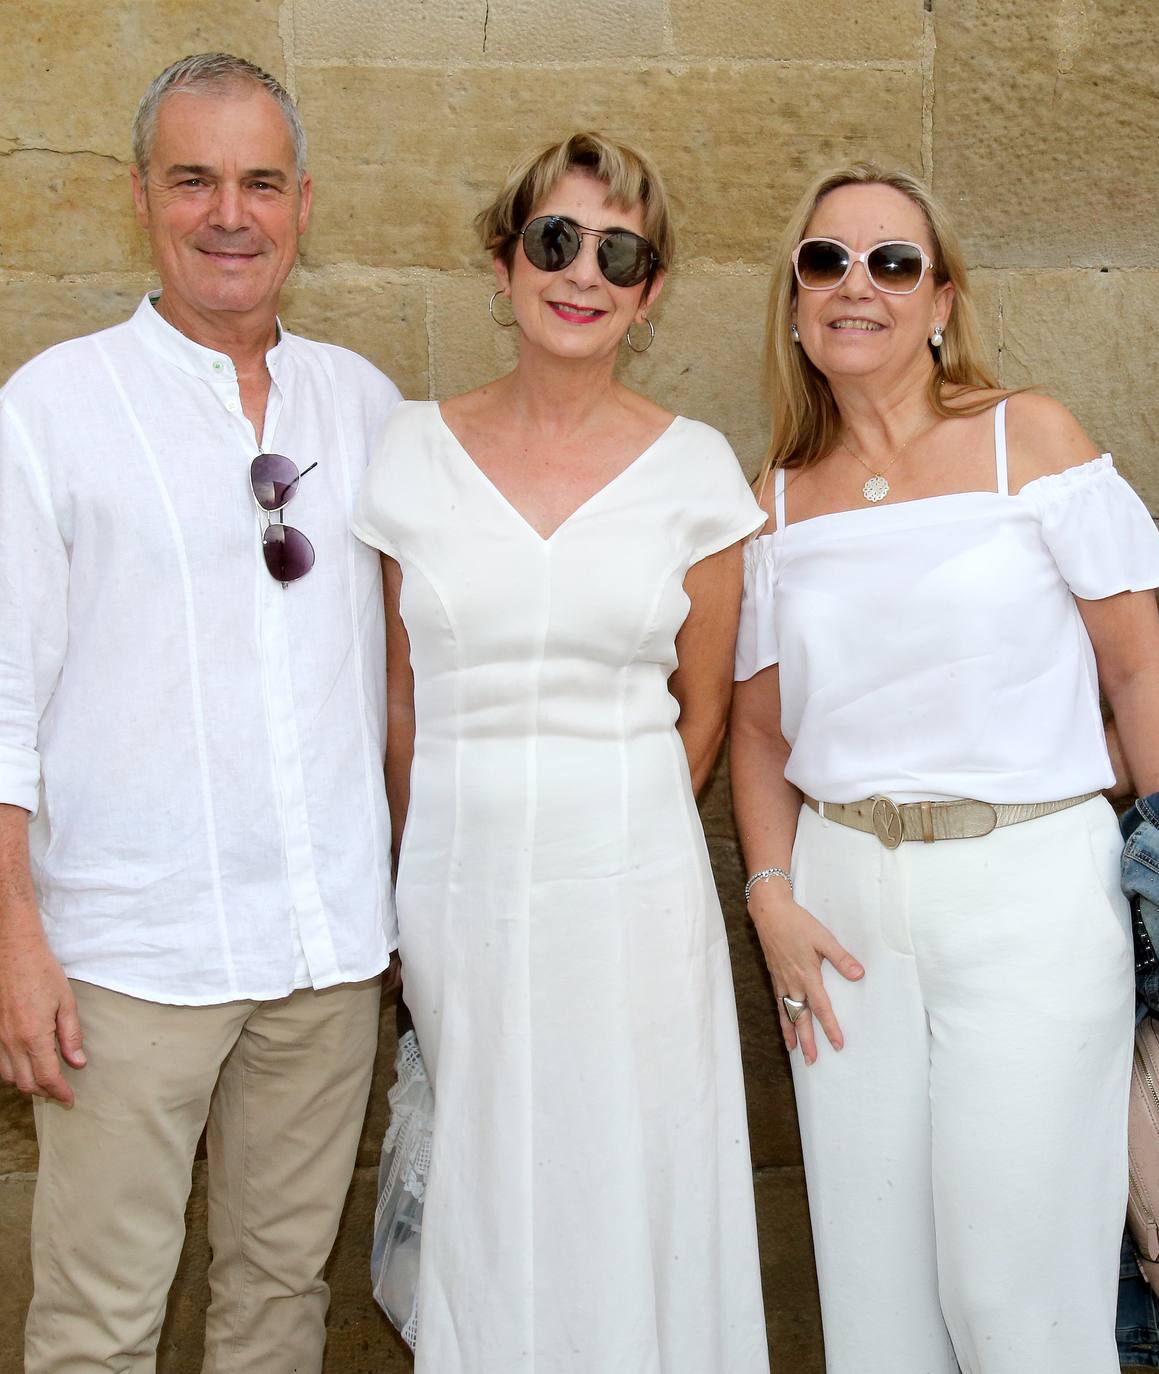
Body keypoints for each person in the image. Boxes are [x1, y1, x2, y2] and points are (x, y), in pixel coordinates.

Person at [0, 53, 401, 1373]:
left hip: (327, 955)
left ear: (303, 202)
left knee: (278, 1299)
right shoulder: (52, 412)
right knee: (97, 1328)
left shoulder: (362, 408)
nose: (226, 214)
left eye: (256, 182)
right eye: (193, 180)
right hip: (129, 965)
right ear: (141, 196)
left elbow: (418, 662)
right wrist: (9, 935)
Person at [728, 163, 1159, 1374]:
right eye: (825, 262)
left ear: (942, 300)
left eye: (892, 262)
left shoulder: (1027, 442)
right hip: (841, 909)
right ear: (794, 303)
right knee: (876, 1301)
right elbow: (762, 730)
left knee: (1015, 1291)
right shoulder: (773, 500)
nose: (856, 287)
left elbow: (1138, 674)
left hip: (1031, 880)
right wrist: (769, 894)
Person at [348, 132, 769, 1373]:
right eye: (556, 240)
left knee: (635, 1175)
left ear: (647, 295)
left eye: (620, 253)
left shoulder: (695, 470)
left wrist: (610, 821)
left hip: (633, 891)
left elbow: (704, 713)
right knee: (491, 1193)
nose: (584, 272)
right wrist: (415, 882)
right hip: (459, 889)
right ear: (502, 263)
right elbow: (399, 710)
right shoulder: (407, 454)